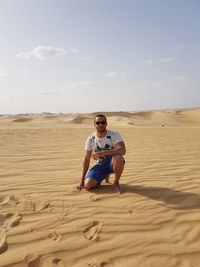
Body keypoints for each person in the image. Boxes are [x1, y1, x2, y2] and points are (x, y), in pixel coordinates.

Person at [76, 114, 126, 193]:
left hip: (113, 163)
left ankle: (116, 182)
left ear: (106, 124)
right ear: (94, 124)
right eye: (98, 123)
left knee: (118, 157)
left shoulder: (114, 135)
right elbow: (86, 159)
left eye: (103, 122)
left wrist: (103, 153)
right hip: (100, 164)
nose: (100, 125)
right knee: (88, 185)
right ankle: (103, 175)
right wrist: (82, 180)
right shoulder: (91, 139)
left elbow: (122, 150)